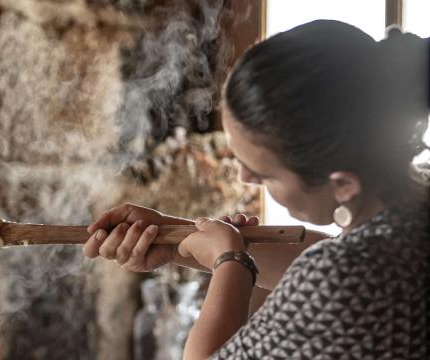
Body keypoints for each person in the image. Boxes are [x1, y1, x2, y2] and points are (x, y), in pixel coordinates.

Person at [83, 20, 429, 359]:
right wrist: (181, 243)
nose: (246, 178)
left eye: (264, 174)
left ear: (343, 184)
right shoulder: (410, 214)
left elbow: (334, 275)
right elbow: (334, 258)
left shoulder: (344, 278)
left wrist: (229, 263)